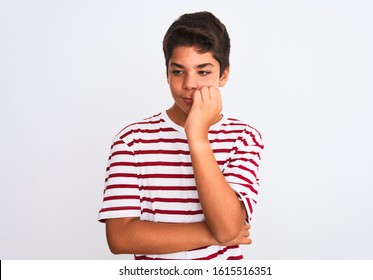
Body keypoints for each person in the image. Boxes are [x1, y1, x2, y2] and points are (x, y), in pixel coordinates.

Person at [98, 11, 264, 260]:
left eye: (203, 72)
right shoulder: (131, 140)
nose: (189, 84)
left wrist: (197, 137)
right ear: (167, 73)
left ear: (224, 75)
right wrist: (213, 234)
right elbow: (120, 238)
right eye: (178, 71)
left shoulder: (244, 137)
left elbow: (228, 225)